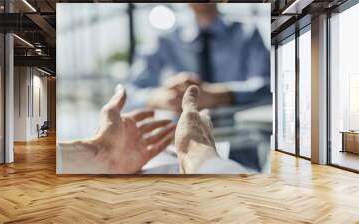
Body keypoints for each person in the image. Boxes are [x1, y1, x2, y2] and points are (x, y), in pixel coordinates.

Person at [58, 85, 247, 174]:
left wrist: (222, 93)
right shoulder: (161, 43)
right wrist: (196, 151)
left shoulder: (248, 34)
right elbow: (133, 89)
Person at [128, 3, 270, 112]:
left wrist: (219, 95)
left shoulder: (248, 33)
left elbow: (267, 87)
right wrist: (161, 97)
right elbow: (129, 93)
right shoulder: (165, 40)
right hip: (179, 141)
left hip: (243, 142)